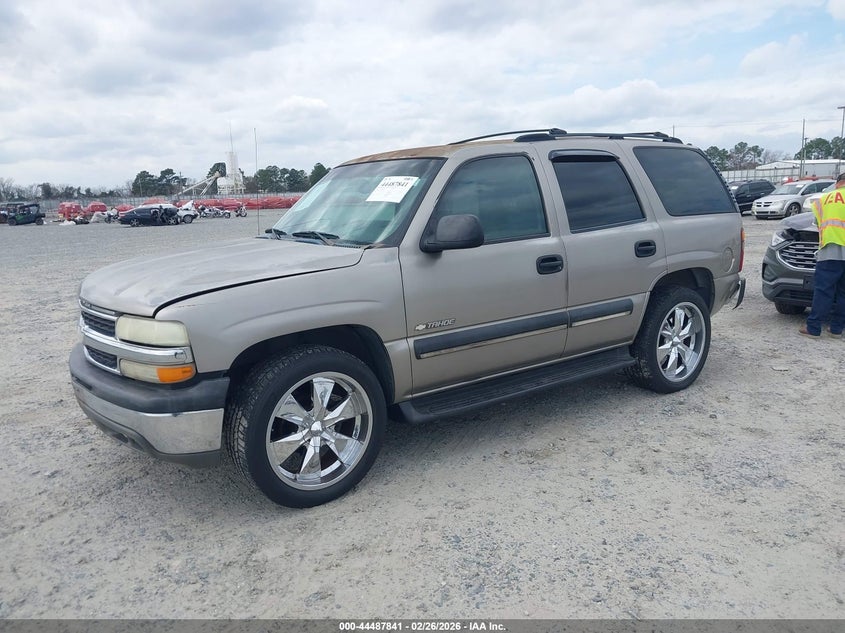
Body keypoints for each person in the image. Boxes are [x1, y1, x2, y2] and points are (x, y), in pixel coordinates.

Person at [799, 172, 845, 338]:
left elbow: (818, 224)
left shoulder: (824, 199)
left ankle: (814, 328)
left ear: (838, 182)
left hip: (830, 249)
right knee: (843, 293)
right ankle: (836, 329)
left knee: (823, 291)